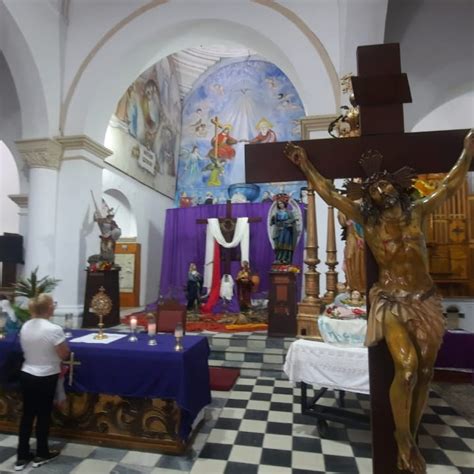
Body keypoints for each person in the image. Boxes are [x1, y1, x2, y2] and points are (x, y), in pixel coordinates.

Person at [285, 130, 473, 474]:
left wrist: (467, 153)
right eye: (374, 189)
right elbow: (328, 193)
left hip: (425, 300)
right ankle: (403, 440)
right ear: (368, 198)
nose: (381, 190)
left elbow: (448, 185)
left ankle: (412, 436)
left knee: (426, 372)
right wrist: (306, 164)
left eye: (385, 185)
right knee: (406, 367)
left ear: (395, 187)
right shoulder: (369, 224)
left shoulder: (418, 212)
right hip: (391, 301)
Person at [16, 293, 70, 471]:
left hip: (27, 373)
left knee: (27, 415)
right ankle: (42, 452)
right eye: (53, 304)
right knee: (44, 414)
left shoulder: (25, 326)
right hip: (46, 375)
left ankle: (22, 456)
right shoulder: (53, 329)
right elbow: (64, 354)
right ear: (49, 308)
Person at [337, 209, 366, 293]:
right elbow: (342, 220)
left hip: (364, 237)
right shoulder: (346, 201)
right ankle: (353, 286)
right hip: (351, 236)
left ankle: (363, 289)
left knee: (362, 260)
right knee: (350, 257)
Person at [270, 198, 297, 264]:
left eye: (281, 203)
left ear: (284, 204)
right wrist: (273, 219)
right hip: (279, 229)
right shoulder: (277, 213)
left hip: (286, 230)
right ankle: (279, 259)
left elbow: (293, 219)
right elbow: (273, 222)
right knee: (278, 244)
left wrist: (286, 222)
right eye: (279, 204)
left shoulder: (288, 212)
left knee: (286, 244)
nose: (280, 205)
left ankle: (286, 259)